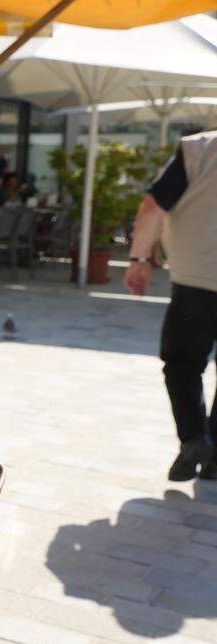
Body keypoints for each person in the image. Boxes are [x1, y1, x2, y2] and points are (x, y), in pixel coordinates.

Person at [125, 129, 217, 482]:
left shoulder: (199, 149)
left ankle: (195, 438)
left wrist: (139, 259)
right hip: (196, 278)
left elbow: (153, 207)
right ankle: (213, 453)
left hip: (196, 280)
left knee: (182, 363)